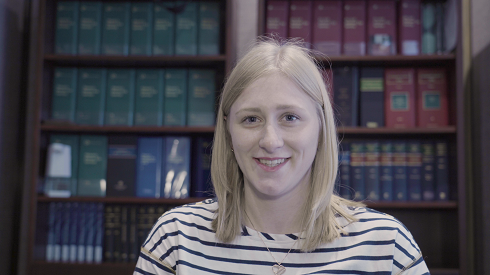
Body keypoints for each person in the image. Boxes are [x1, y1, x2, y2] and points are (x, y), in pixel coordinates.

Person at [134, 38, 430, 275]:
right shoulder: (176, 237)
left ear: (321, 129)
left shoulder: (386, 244)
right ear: (228, 132)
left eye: (289, 117)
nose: (270, 141)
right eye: (251, 119)